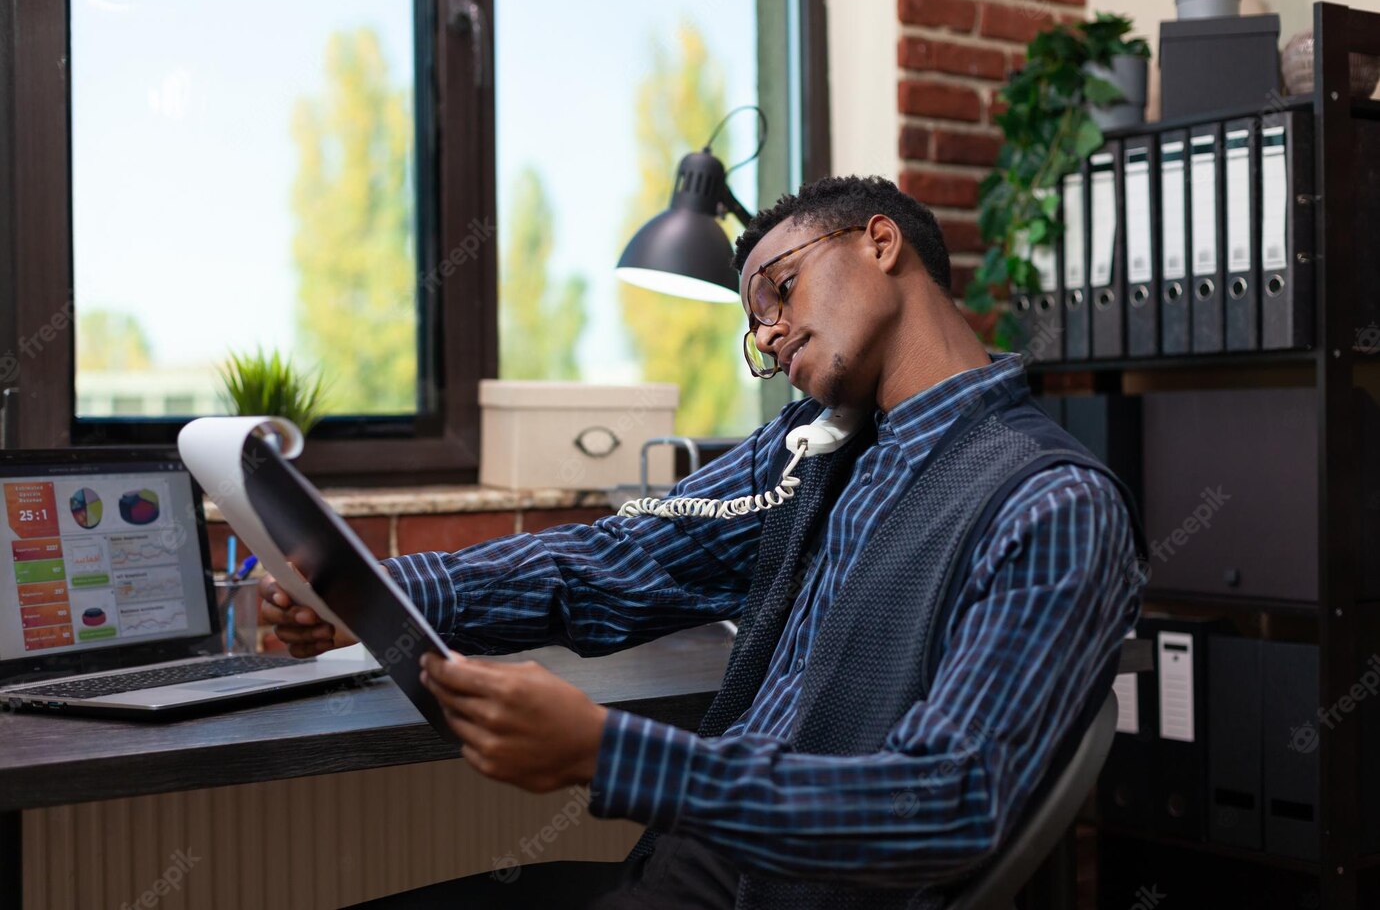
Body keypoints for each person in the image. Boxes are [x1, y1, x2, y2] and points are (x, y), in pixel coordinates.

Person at [260, 175, 1147, 909]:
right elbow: (619, 559)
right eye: (753, 318)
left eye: (779, 289)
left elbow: (946, 806)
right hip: (686, 873)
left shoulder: (1049, 506)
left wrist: (614, 755)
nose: (765, 331)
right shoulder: (814, 445)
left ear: (880, 244)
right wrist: (372, 589)